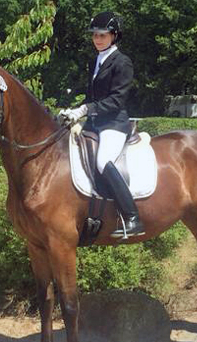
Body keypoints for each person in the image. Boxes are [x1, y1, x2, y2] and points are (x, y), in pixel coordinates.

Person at [60, 11, 144, 239]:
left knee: (101, 161)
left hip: (114, 124)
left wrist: (86, 110)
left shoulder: (122, 62)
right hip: (95, 124)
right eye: (95, 35)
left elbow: (117, 100)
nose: (97, 39)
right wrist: (74, 110)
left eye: (102, 35)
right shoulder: (95, 61)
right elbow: (91, 96)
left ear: (114, 36)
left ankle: (132, 217)